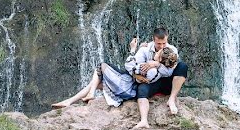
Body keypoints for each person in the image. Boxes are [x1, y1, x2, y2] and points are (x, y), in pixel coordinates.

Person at [51, 38, 179, 109]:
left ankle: (87, 95)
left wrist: (134, 50)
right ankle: (71, 100)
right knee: (97, 82)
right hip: (130, 86)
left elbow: (129, 66)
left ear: (160, 58)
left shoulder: (150, 69)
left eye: (159, 52)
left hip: (127, 88)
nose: (158, 50)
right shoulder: (158, 69)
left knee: (101, 66)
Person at [127, 26, 188, 129]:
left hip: (167, 83)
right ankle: (144, 120)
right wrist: (139, 72)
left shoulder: (172, 50)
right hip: (151, 81)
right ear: (153, 39)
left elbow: (169, 72)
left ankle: (171, 99)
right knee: (141, 89)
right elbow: (134, 65)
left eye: (164, 43)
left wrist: (156, 64)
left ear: (167, 38)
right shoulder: (145, 49)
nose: (161, 46)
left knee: (182, 66)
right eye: (159, 43)